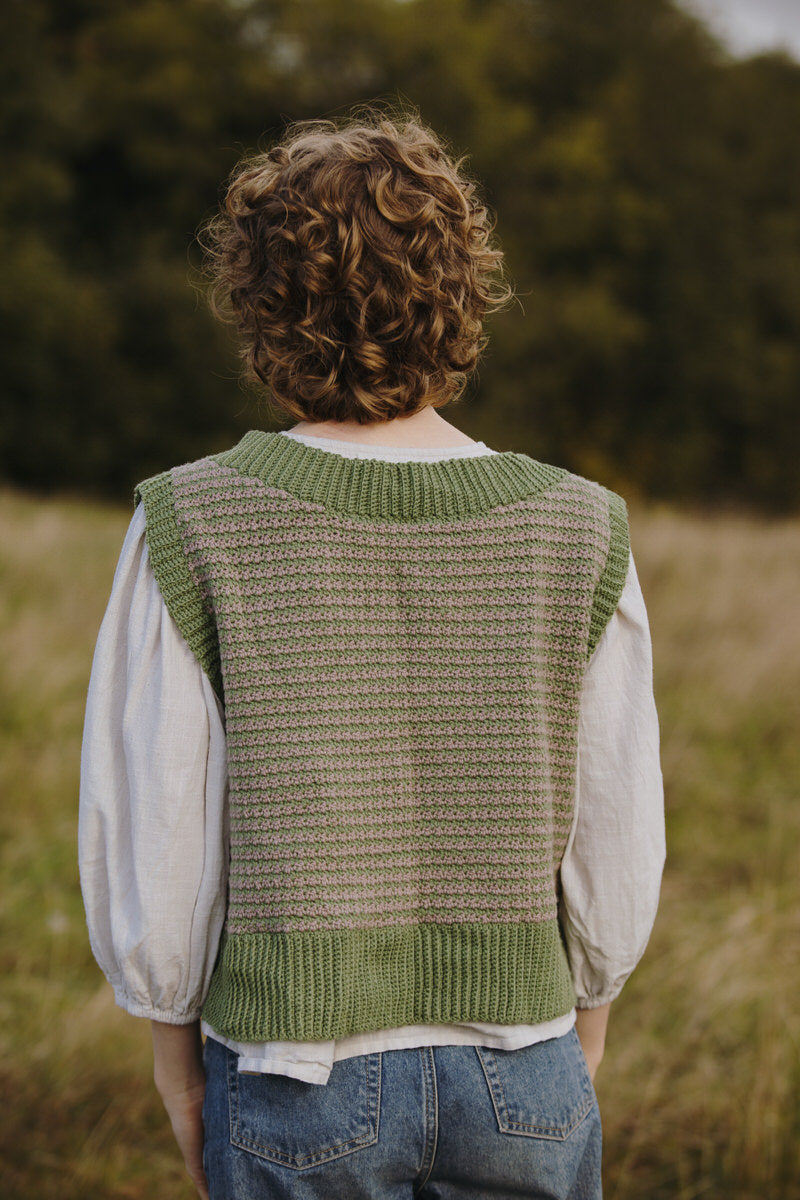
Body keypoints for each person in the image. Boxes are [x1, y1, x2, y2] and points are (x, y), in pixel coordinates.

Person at [79, 110, 665, 1200]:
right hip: (525, 1067)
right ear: (458, 295)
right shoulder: (580, 525)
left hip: (295, 1079)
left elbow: (156, 825)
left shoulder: (191, 518)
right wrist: (577, 1036)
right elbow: (614, 828)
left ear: (259, 305)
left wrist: (176, 1071)